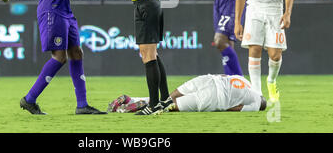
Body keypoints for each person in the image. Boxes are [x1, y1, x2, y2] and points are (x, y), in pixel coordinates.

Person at [108, 74, 267, 113]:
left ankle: (130, 99)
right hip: (214, 97)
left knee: (166, 98)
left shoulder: (244, 80)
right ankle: (135, 107)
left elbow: (224, 76)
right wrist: (222, 107)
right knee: (168, 107)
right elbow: (237, 108)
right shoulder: (256, 104)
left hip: (207, 79)